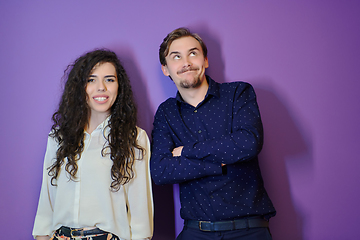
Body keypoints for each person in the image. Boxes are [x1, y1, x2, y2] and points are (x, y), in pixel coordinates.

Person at [150, 28, 276, 240]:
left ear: (205, 60)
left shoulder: (238, 93)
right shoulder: (166, 112)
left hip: (249, 229)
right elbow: (161, 171)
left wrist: (187, 152)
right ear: (166, 69)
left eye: (193, 53)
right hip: (195, 232)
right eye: (176, 57)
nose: (186, 62)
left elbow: (249, 142)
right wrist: (217, 164)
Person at [33, 49, 153, 240]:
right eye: (91, 79)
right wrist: (42, 236)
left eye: (109, 79)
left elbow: (140, 210)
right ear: (80, 87)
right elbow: (47, 198)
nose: (101, 87)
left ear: (119, 86)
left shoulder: (134, 138)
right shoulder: (58, 137)